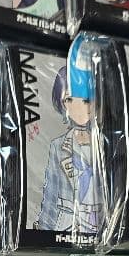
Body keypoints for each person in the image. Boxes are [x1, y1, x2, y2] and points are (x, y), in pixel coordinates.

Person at [37, 66, 101, 234]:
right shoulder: (58, 146)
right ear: (62, 102)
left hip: (99, 223)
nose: (78, 108)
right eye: (69, 99)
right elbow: (51, 193)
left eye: (86, 100)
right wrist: (42, 234)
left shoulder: (106, 146)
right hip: (65, 222)